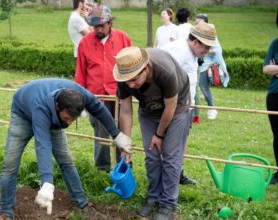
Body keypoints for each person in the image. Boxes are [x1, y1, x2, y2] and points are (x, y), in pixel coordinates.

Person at [0, 78, 132, 220]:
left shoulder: (80, 95)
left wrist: (116, 135)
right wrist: (47, 182)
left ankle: (82, 202)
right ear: (57, 106)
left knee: (66, 161)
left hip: (53, 117)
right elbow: (42, 144)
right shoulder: (41, 108)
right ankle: (6, 211)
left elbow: (99, 109)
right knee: (10, 164)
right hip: (23, 113)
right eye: (67, 118)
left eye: (72, 119)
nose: (68, 123)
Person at [114, 46, 191, 219]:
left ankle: (168, 204)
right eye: (127, 82)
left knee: (171, 156)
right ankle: (154, 197)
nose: (130, 85)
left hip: (177, 107)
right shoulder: (124, 74)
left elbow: (170, 107)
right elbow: (125, 111)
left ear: (146, 68)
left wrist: (159, 134)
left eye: (134, 80)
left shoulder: (165, 71)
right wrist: (125, 144)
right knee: (152, 155)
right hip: (149, 109)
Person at [75, 4, 132, 172]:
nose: (98, 30)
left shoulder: (123, 38)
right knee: (101, 132)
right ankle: (102, 169)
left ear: (110, 23)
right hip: (96, 96)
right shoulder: (85, 43)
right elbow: (80, 73)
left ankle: (124, 167)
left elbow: (132, 67)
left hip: (120, 94)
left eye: (101, 26)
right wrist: (81, 100)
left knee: (123, 131)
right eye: (94, 26)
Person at [161, 21, 218, 185]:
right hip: (174, 107)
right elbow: (165, 77)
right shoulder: (180, 51)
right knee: (171, 145)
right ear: (195, 42)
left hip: (186, 106)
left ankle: (177, 173)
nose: (206, 51)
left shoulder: (192, 53)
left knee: (181, 141)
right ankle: (167, 177)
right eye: (205, 48)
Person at [197, 16, 229, 120]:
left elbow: (216, 51)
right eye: (196, 23)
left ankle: (212, 109)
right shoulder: (198, 34)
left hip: (206, 65)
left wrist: (204, 51)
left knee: (203, 86)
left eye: (200, 23)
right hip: (198, 64)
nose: (197, 25)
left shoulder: (210, 35)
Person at [263, 9, 278, 184]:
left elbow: (272, 68)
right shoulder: (276, 43)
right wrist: (273, 70)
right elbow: (266, 68)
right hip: (275, 94)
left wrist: (277, 69)